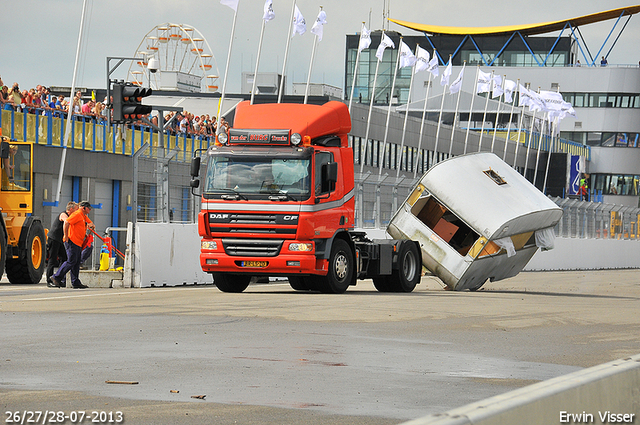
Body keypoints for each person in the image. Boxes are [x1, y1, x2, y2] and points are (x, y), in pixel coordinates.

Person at [51, 201, 95, 289]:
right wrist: (66, 236)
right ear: (83, 208)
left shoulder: (83, 216)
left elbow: (91, 224)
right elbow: (66, 222)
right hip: (72, 241)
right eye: (89, 208)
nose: (90, 210)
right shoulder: (77, 214)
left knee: (76, 262)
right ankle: (56, 277)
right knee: (71, 261)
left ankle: (75, 281)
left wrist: (88, 226)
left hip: (78, 242)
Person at [46, 201, 77, 287]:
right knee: (52, 260)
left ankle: (58, 279)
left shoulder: (69, 215)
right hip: (54, 239)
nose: (76, 212)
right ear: (70, 209)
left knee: (65, 258)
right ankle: (49, 280)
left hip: (59, 240)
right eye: (75, 210)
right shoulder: (63, 214)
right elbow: (66, 221)